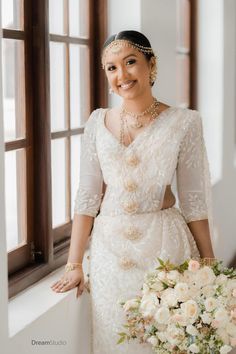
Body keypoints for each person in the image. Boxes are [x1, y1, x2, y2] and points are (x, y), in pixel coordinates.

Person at [51, 30, 215, 353]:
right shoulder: (96, 123)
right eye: (111, 68)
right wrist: (74, 264)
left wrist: (209, 261)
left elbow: (194, 202)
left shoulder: (184, 123)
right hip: (109, 255)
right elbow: (87, 197)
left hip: (165, 250)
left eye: (130, 62)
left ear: (150, 64)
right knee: (116, 341)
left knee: (168, 341)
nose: (121, 75)